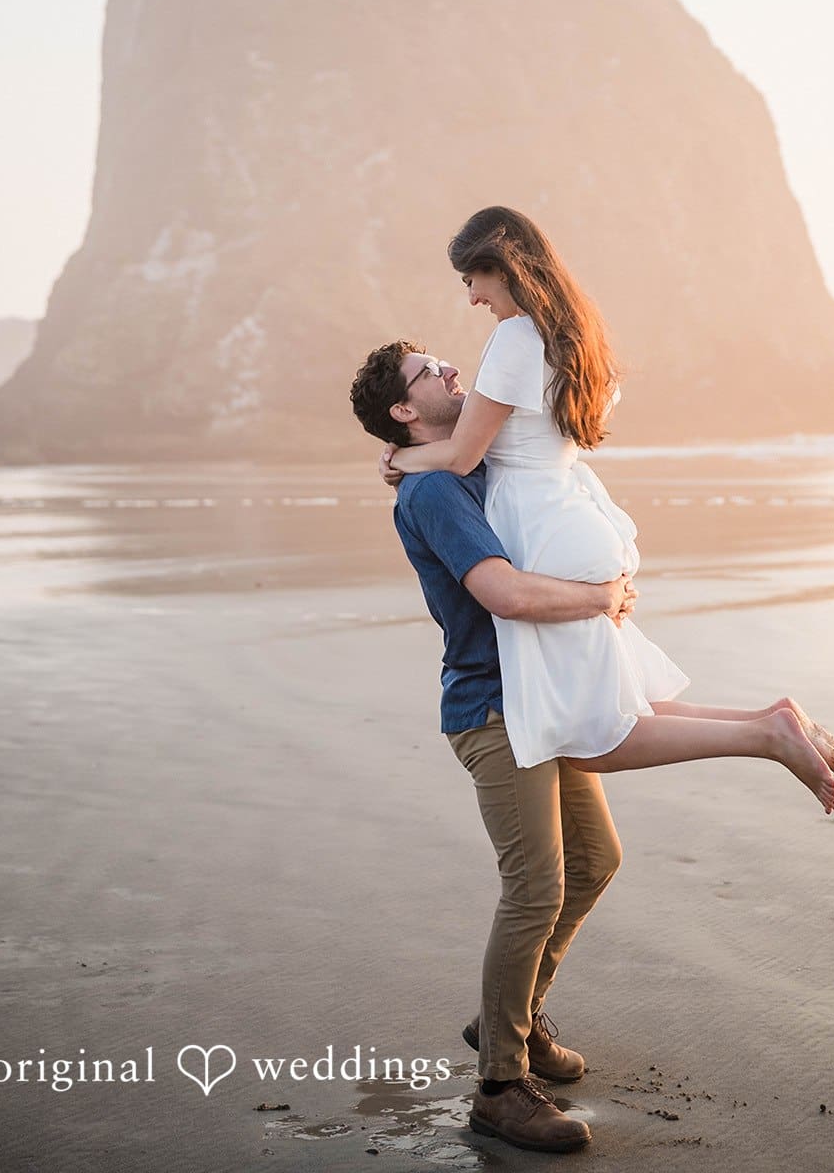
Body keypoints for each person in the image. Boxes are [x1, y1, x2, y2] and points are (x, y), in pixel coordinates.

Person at [380, 207, 834, 808]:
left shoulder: (514, 339)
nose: (473, 298)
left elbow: (465, 456)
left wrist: (399, 460)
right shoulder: (576, 336)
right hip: (575, 516)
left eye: (473, 279)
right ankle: (771, 716)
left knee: (591, 736)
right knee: (617, 701)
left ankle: (766, 735)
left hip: (541, 529)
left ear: (503, 267)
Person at [350, 339, 631, 1153]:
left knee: (595, 859)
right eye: (424, 373)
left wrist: (398, 456)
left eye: (441, 358)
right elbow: (501, 592)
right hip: (491, 709)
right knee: (535, 885)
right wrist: (599, 598)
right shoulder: (434, 491)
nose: (446, 368)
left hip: (536, 696)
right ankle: (501, 1087)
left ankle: (510, 1018)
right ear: (404, 410)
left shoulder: (446, 461)